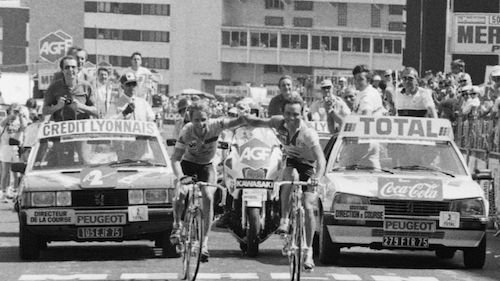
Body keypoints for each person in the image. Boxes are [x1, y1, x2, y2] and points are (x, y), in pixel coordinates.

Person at [244, 94, 326, 270]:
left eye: (296, 114)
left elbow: (321, 160)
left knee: (309, 205)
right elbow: (258, 123)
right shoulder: (277, 122)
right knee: (288, 176)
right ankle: (284, 220)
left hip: (308, 165)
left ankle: (309, 250)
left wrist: (316, 178)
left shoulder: (308, 133)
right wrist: (244, 119)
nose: (292, 118)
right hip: (290, 159)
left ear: (302, 114)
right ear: (283, 113)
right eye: (288, 114)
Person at [170, 101, 247, 262]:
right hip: (187, 165)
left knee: (209, 196)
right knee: (180, 193)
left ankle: (204, 242)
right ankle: (177, 225)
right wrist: (181, 178)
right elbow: (175, 159)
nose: (200, 123)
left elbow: (236, 121)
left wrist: (246, 118)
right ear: (191, 120)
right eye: (196, 120)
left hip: (206, 166)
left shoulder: (216, 125)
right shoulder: (186, 131)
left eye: (203, 119)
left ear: (209, 118)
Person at [42, 56, 98, 121]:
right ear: (62, 70)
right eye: (67, 67)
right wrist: (57, 107)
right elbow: (44, 111)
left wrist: (81, 106)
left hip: (82, 127)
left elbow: (96, 111)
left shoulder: (86, 86)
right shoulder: (54, 87)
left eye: (73, 67)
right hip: (62, 127)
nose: (70, 70)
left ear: (77, 69)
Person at [0, 103, 29, 203]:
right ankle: (3, 193)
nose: (16, 112)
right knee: (5, 172)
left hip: (16, 148)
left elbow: (24, 127)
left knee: (16, 172)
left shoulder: (20, 120)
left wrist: (20, 116)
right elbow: (2, 124)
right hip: (6, 147)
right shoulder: (6, 120)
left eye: (17, 110)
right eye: (14, 110)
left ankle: (15, 192)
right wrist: (11, 116)